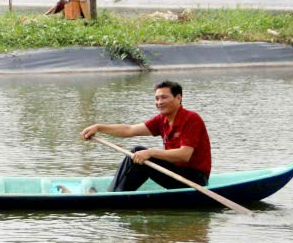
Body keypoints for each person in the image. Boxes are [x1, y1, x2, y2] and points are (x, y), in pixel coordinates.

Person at [80, 80, 211, 193]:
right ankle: (114, 194)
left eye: (164, 97)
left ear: (178, 98)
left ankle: (113, 196)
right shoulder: (161, 120)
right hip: (175, 173)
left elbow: (184, 155)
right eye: (157, 98)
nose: (159, 102)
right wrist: (98, 127)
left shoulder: (191, 119)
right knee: (136, 153)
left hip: (194, 179)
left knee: (140, 153)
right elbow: (129, 130)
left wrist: (150, 153)